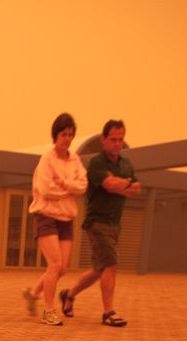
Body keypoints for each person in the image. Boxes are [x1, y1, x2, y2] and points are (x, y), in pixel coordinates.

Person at [59, 119, 142, 327]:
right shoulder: (97, 163)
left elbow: (137, 188)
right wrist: (122, 184)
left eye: (120, 139)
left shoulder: (125, 164)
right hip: (97, 222)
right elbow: (108, 184)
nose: (117, 143)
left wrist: (120, 183)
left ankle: (69, 294)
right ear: (104, 140)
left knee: (99, 269)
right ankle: (108, 313)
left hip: (115, 223)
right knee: (111, 265)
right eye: (113, 139)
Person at [23, 113, 88, 326]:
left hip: (66, 219)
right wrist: (68, 189)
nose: (67, 138)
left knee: (62, 268)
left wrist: (64, 184)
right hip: (46, 216)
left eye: (70, 134)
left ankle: (33, 293)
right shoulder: (46, 160)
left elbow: (83, 186)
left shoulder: (75, 160)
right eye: (63, 134)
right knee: (54, 265)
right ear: (55, 135)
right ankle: (49, 310)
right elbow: (45, 189)